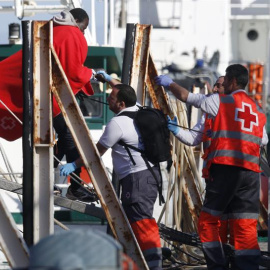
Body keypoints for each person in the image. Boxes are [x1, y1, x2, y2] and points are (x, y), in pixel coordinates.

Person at [155, 64, 268, 270]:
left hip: (225, 171)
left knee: (207, 223)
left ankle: (218, 265)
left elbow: (187, 97)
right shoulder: (258, 110)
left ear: (232, 82)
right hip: (251, 174)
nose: (216, 88)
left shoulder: (220, 102)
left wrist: (169, 83)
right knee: (246, 227)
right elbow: (263, 140)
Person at [60, 70, 163, 270]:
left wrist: (74, 165)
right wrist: (108, 80)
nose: (108, 100)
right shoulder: (139, 109)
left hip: (137, 179)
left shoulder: (117, 123)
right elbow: (126, 91)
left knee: (143, 223)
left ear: (120, 104)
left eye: (111, 98)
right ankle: (139, 263)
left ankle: (153, 265)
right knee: (136, 223)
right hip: (149, 175)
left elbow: (95, 153)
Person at [51, 8, 98, 202]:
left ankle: (48, 174)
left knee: (63, 138)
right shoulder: (70, 34)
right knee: (71, 137)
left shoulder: (54, 30)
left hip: (49, 97)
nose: (83, 32)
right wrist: (92, 73)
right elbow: (73, 71)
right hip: (55, 99)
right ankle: (76, 186)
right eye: (83, 27)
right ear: (76, 21)